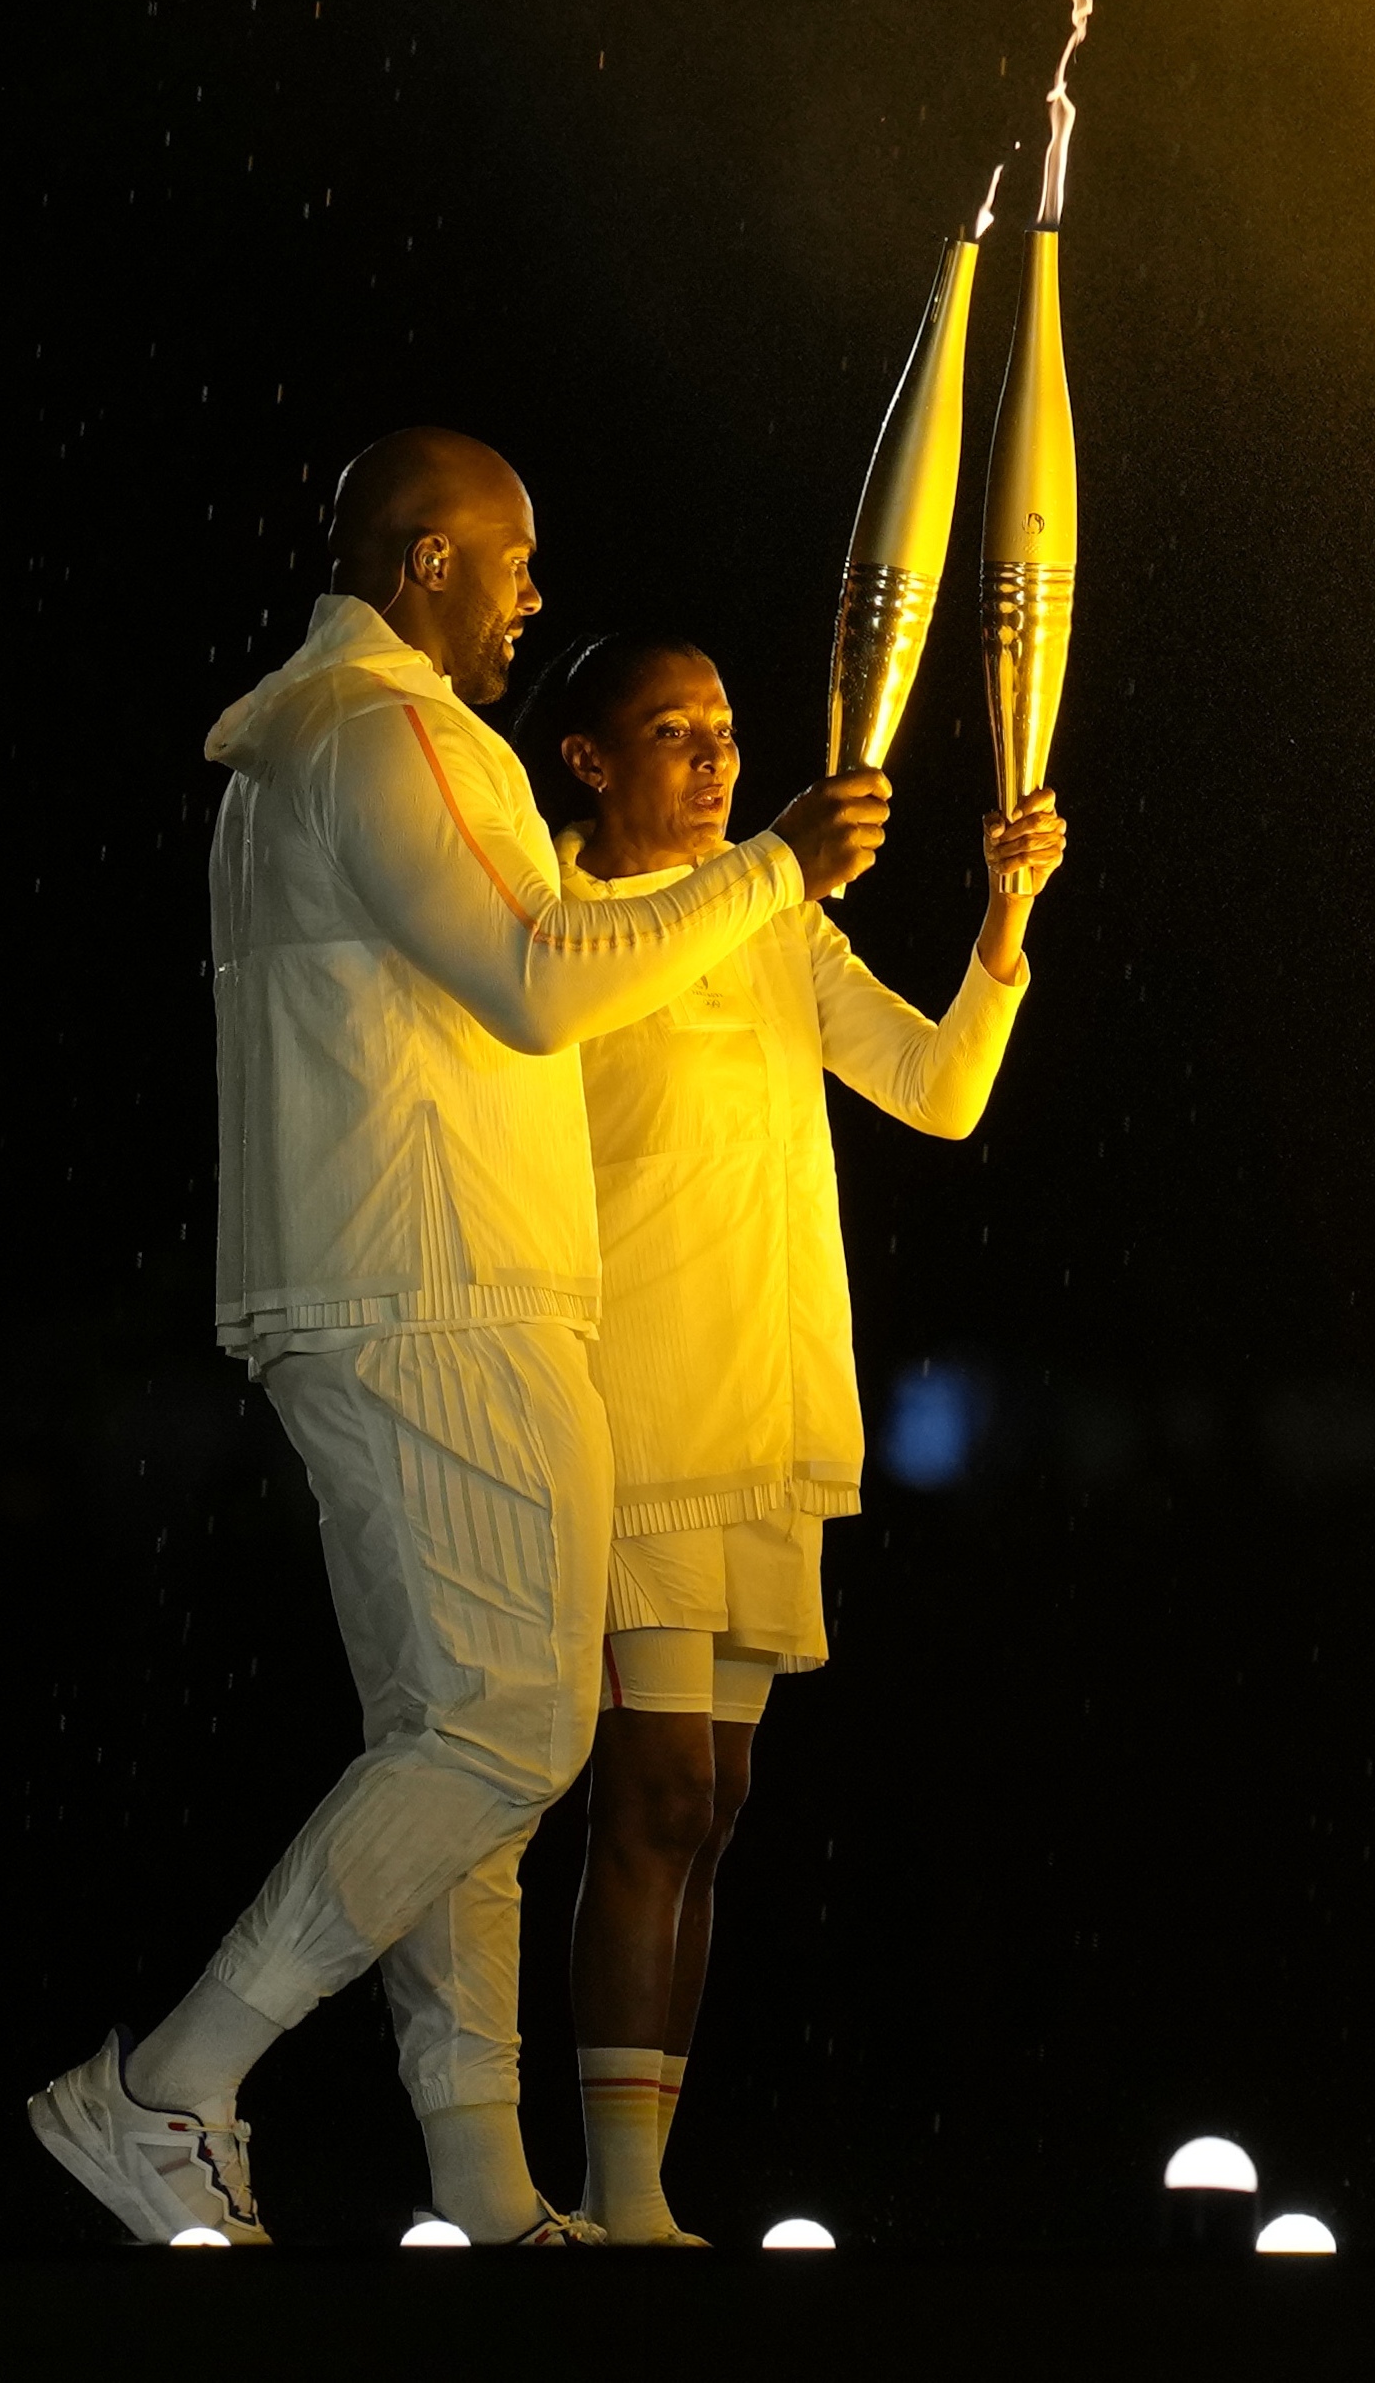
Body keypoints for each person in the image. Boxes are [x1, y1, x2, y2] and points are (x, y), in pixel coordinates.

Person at [26, 433, 889, 2251]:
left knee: (455, 1739)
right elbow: (538, 977)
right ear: (427, 565)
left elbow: (540, 952)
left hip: (387, 1285)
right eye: (511, 564)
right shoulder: (393, 733)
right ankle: (173, 2083)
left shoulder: (294, 751)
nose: (533, 598)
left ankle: (484, 2184)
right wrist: (771, 872)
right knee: (507, 1732)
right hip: (438, 1290)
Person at [527, 628, 1061, 2248]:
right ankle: (615, 2203)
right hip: (633, 1418)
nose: (713, 756)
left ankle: (642, 2185)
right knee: (657, 1800)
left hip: (767, 1412)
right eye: (671, 730)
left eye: (727, 729)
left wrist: (1004, 909)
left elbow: (938, 1089)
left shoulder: (778, 927)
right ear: (590, 761)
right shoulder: (556, 933)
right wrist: (769, 867)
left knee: (718, 1810)